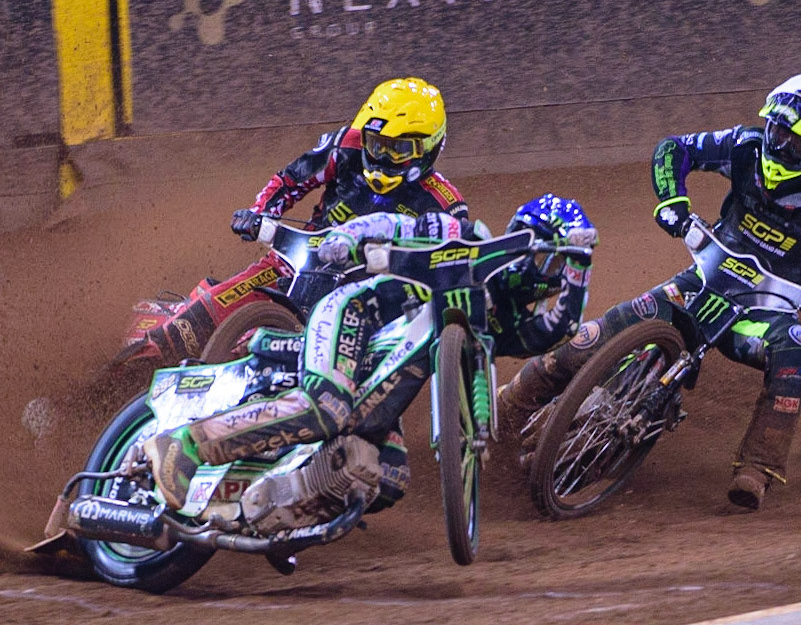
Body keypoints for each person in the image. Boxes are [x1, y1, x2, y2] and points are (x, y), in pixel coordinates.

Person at [496, 72, 801, 510]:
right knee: (595, 335)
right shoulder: (745, 147)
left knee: (799, 351)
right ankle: (506, 408)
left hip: (765, 311)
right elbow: (674, 149)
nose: (780, 148)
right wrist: (672, 201)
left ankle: (756, 468)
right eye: (777, 133)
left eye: (799, 145)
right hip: (700, 281)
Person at [143, 196, 598, 516]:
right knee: (327, 409)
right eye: (550, 260)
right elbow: (395, 225)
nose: (550, 276)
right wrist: (345, 239)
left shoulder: (498, 317)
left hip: (378, 382)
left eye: (560, 267)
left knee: (388, 476)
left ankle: (261, 512)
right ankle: (186, 444)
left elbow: (552, 332)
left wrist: (581, 267)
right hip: (353, 315)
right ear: (522, 238)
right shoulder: (465, 238)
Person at [123, 77, 469, 366]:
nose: (382, 158)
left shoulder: (444, 205)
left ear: (430, 149)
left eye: (398, 150)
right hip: (297, 260)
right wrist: (259, 214)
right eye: (376, 145)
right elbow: (292, 179)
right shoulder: (344, 147)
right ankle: (133, 363)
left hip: (367, 298)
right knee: (198, 320)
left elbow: (451, 269)